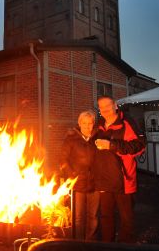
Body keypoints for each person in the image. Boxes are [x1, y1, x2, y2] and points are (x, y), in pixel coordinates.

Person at [93, 96, 145, 243]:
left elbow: (139, 147)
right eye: (101, 108)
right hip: (105, 180)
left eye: (107, 106)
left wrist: (111, 145)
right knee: (106, 216)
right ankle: (107, 247)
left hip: (124, 180)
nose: (105, 111)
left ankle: (125, 249)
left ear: (115, 105)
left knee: (126, 219)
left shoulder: (126, 123)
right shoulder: (100, 126)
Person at [59, 110, 99, 241]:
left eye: (90, 123)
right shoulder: (71, 139)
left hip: (95, 183)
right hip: (77, 184)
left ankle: (90, 241)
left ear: (93, 124)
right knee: (78, 217)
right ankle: (77, 242)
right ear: (79, 123)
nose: (87, 126)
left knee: (93, 216)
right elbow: (63, 160)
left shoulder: (97, 138)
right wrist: (72, 176)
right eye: (84, 123)